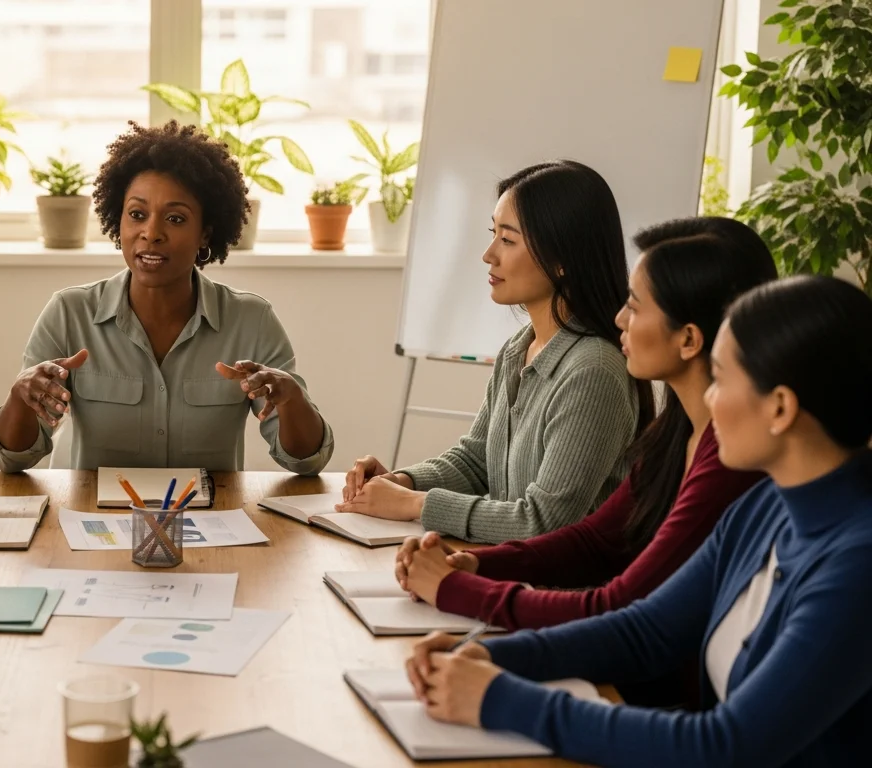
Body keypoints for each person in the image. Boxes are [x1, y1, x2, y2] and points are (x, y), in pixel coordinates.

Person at [408, 275, 872, 766]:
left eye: (722, 379)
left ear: (780, 407)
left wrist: (499, 698)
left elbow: (727, 746)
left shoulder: (857, 563)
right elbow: (646, 631)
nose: (710, 400)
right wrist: (492, 656)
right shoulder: (764, 507)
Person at [396, 218, 774, 702]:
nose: (619, 319)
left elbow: (621, 607)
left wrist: (455, 588)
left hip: (658, 696)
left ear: (690, 339)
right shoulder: (679, 428)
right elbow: (599, 540)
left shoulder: (728, 460)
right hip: (623, 675)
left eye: (635, 307)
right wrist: (473, 563)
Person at [0, 120, 333, 474]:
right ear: (117, 222)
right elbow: (12, 459)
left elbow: (305, 461)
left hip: (213, 521)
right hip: (96, 521)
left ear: (204, 234)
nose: (151, 233)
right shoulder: (68, 313)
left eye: (176, 219)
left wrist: (291, 400)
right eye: (137, 215)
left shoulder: (252, 320)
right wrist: (19, 397)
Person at [338, 160, 651, 544]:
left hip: (563, 595)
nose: (489, 254)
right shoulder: (518, 350)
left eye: (507, 239)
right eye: (493, 234)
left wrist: (414, 503)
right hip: (510, 573)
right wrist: (400, 481)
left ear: (562, 259)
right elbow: (477, 462)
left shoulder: (594, 371)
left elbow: (544, 522)